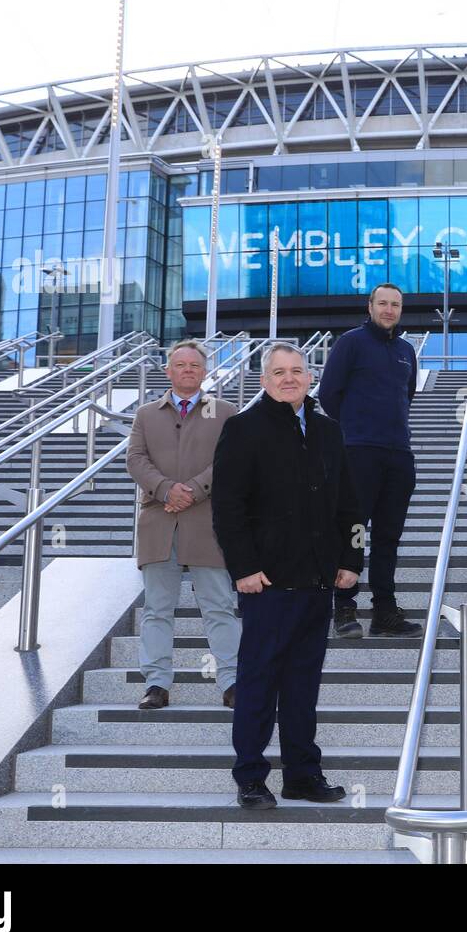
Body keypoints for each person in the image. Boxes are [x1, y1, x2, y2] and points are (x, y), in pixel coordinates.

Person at [211, 342, 365, 810]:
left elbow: (350, 505)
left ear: (310, 377)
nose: (289, 379)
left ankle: (302, 774)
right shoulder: (242, 429)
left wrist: (351, 560)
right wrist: (243, 569)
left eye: (297, 371)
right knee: (258, 684)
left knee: (302, 687)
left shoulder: (328, 431)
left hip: (318, 584)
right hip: (266, 585)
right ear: (264, 380)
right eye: (279, 372)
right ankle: (251, 778)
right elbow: (227, 508)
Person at [126, 339, 239, 711]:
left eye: (195, 365)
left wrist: (192, 490)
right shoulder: (146, 414)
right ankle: (156, 684)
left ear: (205, 372)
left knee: (219, 606)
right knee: (158, 608)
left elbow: (230, 460)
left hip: (208, 524)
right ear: (168, 371)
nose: (188, 369)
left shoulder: (224, 412)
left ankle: (233, 681)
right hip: (159, 523)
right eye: (181, 364)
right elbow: (136, 460)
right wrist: (164, 489)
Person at [317, 283, 422, 638]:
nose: (389, 310)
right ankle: (344, 608)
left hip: (399, 454)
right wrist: (353, 429)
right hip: (358, 452)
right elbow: (329, 394)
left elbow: (406, 396)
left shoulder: (408, 350)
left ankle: (384, 612)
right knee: (352, 531)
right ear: (370, 306)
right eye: (383, 303)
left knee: (389, 537)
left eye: (395, 304)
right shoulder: (351, 343)